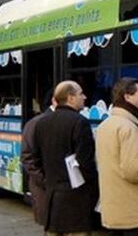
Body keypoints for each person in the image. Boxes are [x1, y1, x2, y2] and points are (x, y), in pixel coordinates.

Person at [32, 80, 101, 235]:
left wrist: (47, 182)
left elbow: (36, 159)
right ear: (70, 98)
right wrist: (94, 188)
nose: (84, 97)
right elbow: (86, 163)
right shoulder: (80, 122)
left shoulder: (42, 122)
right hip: (76, 201)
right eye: (81, 94)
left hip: (52, 199)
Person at [95, 77, 138, 236]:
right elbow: (135, 171)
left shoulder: (106, 125)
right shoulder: (129, 128)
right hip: (135, 214)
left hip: (116, 212)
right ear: (127, 97)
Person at [21, 95, 57, 226]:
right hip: (46, 188)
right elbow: (27, 157)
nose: (85, 97)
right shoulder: (37, 123)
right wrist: (44, 181)